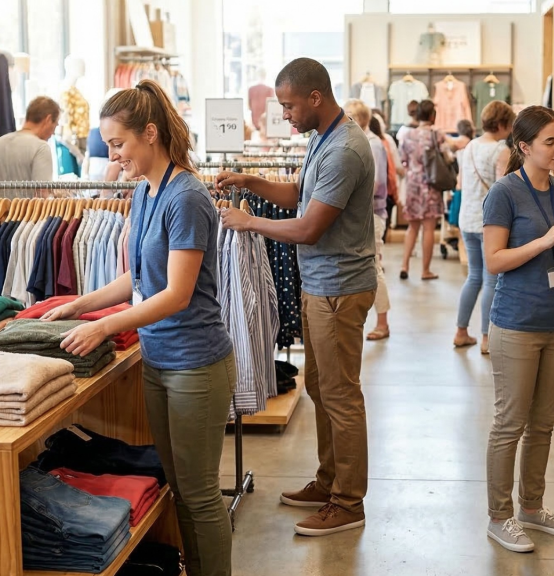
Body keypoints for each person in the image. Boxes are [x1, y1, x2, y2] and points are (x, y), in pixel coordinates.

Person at [41, 79, 236, 576]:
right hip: (159, 361)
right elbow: (140, 277)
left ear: (150, 133)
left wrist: (106, 328)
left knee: (199, 494)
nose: (113, 154)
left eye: (118, 143)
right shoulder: (147, 191)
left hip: (195, 364)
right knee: (178, 484)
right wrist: (79, 304)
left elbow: (176, 293)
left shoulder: (186, 196)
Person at [214, 57, 376, 537]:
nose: (284, 115)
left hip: (340, 290)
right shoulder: (322, 140)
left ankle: (349, 502)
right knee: (319, 389)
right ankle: (330, 481)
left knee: (341, 395)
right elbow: (299, 198)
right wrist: (251, 182)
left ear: (315, 98)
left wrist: (248, 221)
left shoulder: (345, 149)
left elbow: (307, 227)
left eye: (288, 106)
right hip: (320, 285)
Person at [483, 106, 554, 554]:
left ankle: (531, 507)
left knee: (542, 425)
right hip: (516, 321)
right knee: (509, 423)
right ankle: (499, 516)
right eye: (549, 142)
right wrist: (546, 239)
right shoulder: (504, 193)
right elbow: (494, 261)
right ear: (524, 147)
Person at [454, 101, 514, 353]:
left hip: (466, 217)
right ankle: (487, 338)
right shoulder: (501, 150)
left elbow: (461, 181)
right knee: (492, 280)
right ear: (502, 124)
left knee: (474, 276)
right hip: (489, 221)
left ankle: (460, 331)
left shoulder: (469, 146)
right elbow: (502, 189)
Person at [345, 99, 391, 342]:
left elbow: (377, 183)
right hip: (365, 213)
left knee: (374, 266)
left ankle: (383, 321)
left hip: (372, 214)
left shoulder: (372, 145)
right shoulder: (360, 142)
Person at [398, 99, 449, 281]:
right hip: (430, 185)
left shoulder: (407, 135)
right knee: (428, 228)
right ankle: (425, 270)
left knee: (412, 227)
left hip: (412, 184)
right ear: (432, 115)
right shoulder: (437, 135)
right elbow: (447, 157)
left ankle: (404, 265)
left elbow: (402, 160)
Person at [0, 96, 59, 183]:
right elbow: (42, 193)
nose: (53, 133)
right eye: (55, 125)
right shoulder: (41, 148)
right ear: (48, 120)